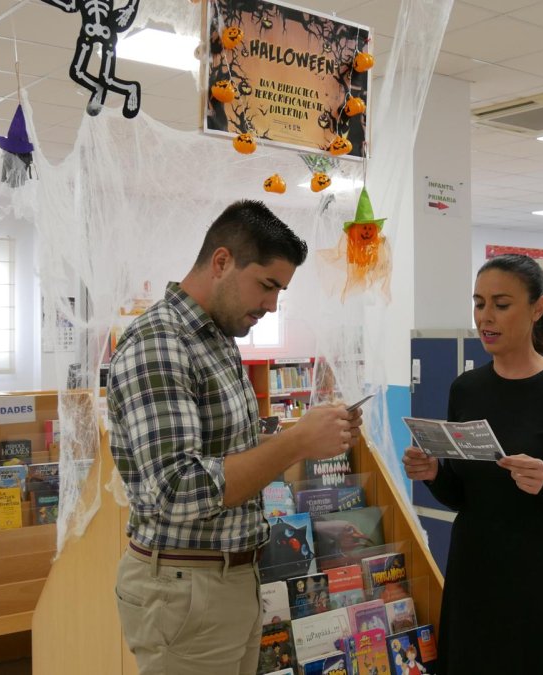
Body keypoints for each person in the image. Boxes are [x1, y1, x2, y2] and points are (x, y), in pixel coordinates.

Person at [108, 200, 362, 675]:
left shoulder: (219, 339)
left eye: (280, 291)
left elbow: (232, 460)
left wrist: (312, 435)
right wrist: (297, 443)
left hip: (230, 580)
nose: (271, 306)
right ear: (222, 262)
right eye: (267, 286)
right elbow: (179, 488)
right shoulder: (159, 341)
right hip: (187, 587)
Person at [402, 253, 543, 674]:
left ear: (538, 308)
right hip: (474, 565)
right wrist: (434, 473)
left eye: (501, 304)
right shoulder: (466, 389)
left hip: (539, 571)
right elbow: (462, 495)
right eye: (479, 304)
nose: (485, 318)